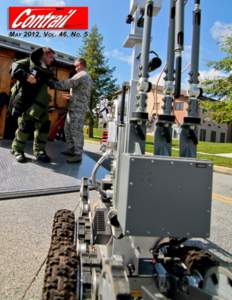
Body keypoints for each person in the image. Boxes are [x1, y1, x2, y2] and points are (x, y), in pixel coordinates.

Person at [10, 47, 55, 163]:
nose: (52, 60)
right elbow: (14, 67)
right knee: (25, 126)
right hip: (28, 101)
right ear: (43, 56)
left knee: (44, 127)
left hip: (42, 104)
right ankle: (17, 150)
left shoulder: (48, 69)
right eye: (50, 57)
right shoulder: (29, 62)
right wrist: (26, 76)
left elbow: (50, 83)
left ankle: (39, 151)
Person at [49, 58, 92, 163]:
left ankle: (77, 154)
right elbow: (81, 92)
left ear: (82, 65)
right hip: (75, 106)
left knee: (76, 130)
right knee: (67, 128)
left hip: (78, 108)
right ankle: (71, 149)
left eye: (76, 66)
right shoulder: (85, 76)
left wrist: (53, 84)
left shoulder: (82, 74)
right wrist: (71, 96)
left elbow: (69, 83)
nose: (75, 68)